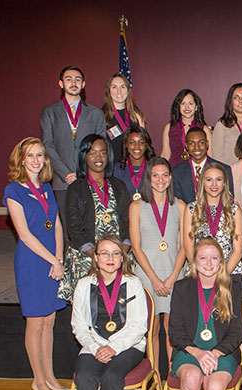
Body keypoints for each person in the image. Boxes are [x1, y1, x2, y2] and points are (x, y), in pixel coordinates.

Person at [71, 235, 148, 390]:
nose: (110, 258)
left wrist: (113, 347)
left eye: (116, 253)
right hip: (93, 344)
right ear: (95, 257)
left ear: (122, 257)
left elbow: (139, 326)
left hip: (129, 346)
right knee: (84, 376)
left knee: (112, 377)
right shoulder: (84, 285)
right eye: (104, 253)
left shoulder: (133, 283)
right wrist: (96, 348)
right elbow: (79, 325)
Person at [165, 238, 242, 390]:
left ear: (221, 262)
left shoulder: (232, 287)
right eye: (203, 258)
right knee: (190, 378)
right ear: (194, 261)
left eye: (214, 258)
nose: (208, 263)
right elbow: (175, 331)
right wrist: (198, 353)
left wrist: (216, 353)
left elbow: (237, 331)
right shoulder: (182, 288)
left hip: (222, 352)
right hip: (189, 350)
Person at [3, 137, 67, 390]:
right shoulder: (13, 190)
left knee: (50, 320)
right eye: (30, 155)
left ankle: (50, 376)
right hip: (32, 262)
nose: (36, 160)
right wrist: (52, 260)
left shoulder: (46, 188)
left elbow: (57, 224)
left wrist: (60, 258)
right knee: (36, 322)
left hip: (53, 261)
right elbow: (25, 235)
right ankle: (38, 382)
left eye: (40, 155)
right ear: (20, 159)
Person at [129, 157, 186, 380]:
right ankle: (154, 379)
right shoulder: (136, 206)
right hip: (146, 275)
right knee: (151, 328)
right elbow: (135, 246)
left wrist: (172, 277)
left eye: (165, 175)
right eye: (155, 175)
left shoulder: (180, 206)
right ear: (148, 179)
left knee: (173, 330)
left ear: (170, 178)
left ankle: (174, 376)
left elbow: (184, 246)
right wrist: (153, 279)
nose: (160, 180)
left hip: (174, 273)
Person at [58, 134, 131, 301]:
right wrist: (97, 256)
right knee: (88, 311)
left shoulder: (119, 186)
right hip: (88, 259)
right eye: (92, 153)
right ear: (84, 156)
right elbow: (73, 227)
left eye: (103, 153)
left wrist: (120, 254)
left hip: (119, 257)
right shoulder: (76, 188)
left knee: (120, 307)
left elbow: (129, 222)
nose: (99, 158)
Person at [41, 66, 105, 233]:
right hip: (62, 181)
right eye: (69, 79)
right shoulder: (50, 112)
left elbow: (101, 147)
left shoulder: (96, 113)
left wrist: (82, 172)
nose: (73, 82)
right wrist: (66, 174)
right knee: (68, 227)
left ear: (83, 84)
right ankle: (70, 259)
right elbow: (47, 144)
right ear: (61, 83)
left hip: (89, 178)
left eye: (77, 79)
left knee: (91, 224)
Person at [183, 163, 242, 281]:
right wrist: (202, 274)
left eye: (219, 179)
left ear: (224, 183)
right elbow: (188, 247)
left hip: (229, 273)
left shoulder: (234, 210)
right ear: (202, 183)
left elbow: (238, 249)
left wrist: (222, 275)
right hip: (199, 274)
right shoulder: (191, 209)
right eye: (209, 179)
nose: (214, 184)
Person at [173, 127, 233, 205]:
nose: (196, 147)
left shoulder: (224, 170)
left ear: (207, 144)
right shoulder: (177, 172)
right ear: (186, 146)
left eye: (201, 142)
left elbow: (228, 200)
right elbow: (178, 203)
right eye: (192, 143)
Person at [160, 89, 213, 167]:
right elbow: (165, 155)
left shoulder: (204, 129)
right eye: (183, 103)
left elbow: (210, 156)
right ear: (178, 106)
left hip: (198, 172)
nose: (187, 107)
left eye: (190, 103)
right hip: (175, 171)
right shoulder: (169, 128)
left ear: (196, 107)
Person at [101, 73, 146, 163]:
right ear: (108, 91)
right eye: (114, 87)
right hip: (112, 169)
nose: (119, 91)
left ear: (128, 90)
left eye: (122, 87)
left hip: (133, 168)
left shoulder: (136, 115)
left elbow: (144, 145)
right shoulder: (101, 116)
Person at [113, 125, 155, 201]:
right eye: (132, 142)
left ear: (146, 145)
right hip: (125, 211)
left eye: (141, 142)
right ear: (126, 144)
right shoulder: (117, 169)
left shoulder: (154, 168)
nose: (137, 146)